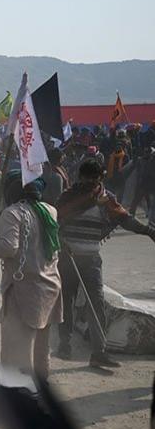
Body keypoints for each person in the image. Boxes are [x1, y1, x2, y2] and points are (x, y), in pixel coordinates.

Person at [55, 158, 155, 370]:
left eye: (94, 178)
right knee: (67, 300)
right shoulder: (68, 196)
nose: (90, 182)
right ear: (80, 177)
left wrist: (147, 231)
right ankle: (65, 344)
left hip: (91, 258)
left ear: (100, 178)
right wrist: (61, 244)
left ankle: (99, 352)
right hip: (68, 257)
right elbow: (56, 220)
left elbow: (125, 219)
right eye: (86, 177)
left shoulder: (107, 199)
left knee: (96, 304)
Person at [0, 174, 62, 380]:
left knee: (15, 347)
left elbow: (9, 248)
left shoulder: (12, 213)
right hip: (50, 285)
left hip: (23, 288)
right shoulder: (50, 210)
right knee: (41, 345)